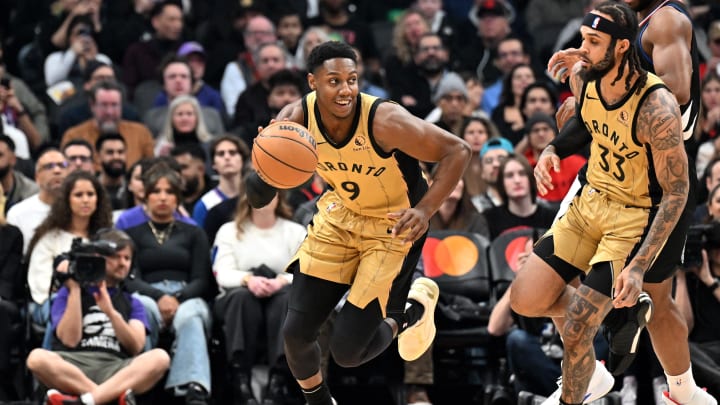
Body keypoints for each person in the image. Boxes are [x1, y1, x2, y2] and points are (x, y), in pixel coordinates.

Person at [246, 41, 471, 405]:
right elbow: (257, 198)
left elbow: (458, 150)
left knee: (348, 353)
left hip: (393, 223)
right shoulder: (295, 118)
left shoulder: (385, 121)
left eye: (352, 80)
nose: (346, 89)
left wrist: (425, 210)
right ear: (313, 82)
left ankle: (415, 306)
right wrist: (264, 160)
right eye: (334, 81)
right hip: (341, 218)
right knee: (296, 334)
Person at [516, 3, 715, 405]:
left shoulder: (667, 22)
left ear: (621, 47)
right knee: (533, 294)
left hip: (650, 184)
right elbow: (585, 116)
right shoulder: (608, 45)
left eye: (594, 42)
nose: (584, 48)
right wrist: (588, 80)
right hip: (601, 181)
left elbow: (675, 103)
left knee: (657, 299)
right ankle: (596, 349)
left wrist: (600, 77)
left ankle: (681, 389)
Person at [26, 228, 170, 405]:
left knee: (160, 358)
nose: (122, 263)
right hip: (74, 366)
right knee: (37, 358)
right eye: (116, 256)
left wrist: (110, 311)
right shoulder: (67, 294)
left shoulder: (133, 302)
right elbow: (70, 340)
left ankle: (83, 401)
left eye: (127, 258)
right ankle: (103, 397)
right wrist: (75, 290)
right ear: (97, 257)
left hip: (115, 367)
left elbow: (136, 346)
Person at [123, 163, 214, 405]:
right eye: (156, 191)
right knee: (141, 307)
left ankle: (193, 388)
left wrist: (177, 298)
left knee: (190, 315)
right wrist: (159, 296)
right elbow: (129, 278)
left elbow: (202, 280)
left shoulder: (194, 233)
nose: (163, 197)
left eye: (169, 192)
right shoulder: (132, 234)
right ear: (146, 196)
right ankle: (135, 382)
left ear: (177, 198)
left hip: (187, 294)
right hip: (147, 294)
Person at [212, 190, 306, 404]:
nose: (263, 199)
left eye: (269, 194)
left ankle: (278, 380)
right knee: (242, 298)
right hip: (237, 297)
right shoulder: (229, 231)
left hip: (280, 292)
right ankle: (240, 379)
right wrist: (248, 280)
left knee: (286, 299)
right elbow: (222, 272)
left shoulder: (295, 231)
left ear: (279, 198)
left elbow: (305, 270)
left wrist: (280, 281)